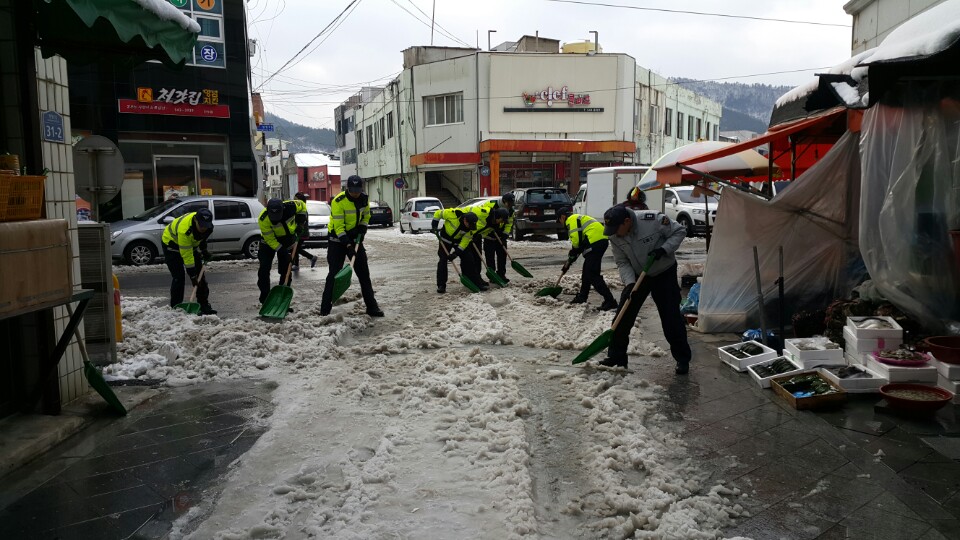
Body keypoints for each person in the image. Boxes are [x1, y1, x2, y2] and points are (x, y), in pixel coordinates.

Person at [601, 205, 691, 374]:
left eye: (617, 229)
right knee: (622, 316)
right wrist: (629, 284)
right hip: (637, 275)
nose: (615, 233)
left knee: (671, 317)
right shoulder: (614, 235)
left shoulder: (653, 220)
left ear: (627, 221)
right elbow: (622, 262)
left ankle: (682, 358)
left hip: (663, 272)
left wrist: (664, 249)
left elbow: (679, 231)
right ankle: (616, 358)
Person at [320, 175, 383, 317]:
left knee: (364, 274)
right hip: (337, 240)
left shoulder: (363, 199)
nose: (356, 193)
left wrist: (362, 228)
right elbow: (339, 227)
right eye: (353, 190)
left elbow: (366, 216)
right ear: (347, 188)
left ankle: (372, 307)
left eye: (358, 190)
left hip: (355, 239)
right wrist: (347, 245)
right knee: (334, 274)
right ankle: (325, 308)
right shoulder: (338, 201)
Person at [557, 208, 618, 311]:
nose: (560, 223)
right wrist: (572, 257)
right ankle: (582, 297)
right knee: (587, 271)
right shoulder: (578, 218)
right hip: (599, 240)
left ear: (562, 217)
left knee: (592, 274)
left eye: (559, 220)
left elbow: (576, 241)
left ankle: (610, 301)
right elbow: (580, 243)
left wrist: (573, 253)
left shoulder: (571, 220)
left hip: (595, 241)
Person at [161, 208, 217, 314]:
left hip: (189, 247)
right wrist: (192, 275)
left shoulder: (208, 227)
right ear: (195, 220)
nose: (203, 228)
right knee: (179, 277)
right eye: (201, 225)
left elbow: (202, 239)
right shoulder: (185, 231)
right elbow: (187, 255)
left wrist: (204, 250)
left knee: (201, 278)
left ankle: (203, 305)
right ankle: (176, 307)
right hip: (171, 246)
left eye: (206, 225)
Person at [257, 197, 305, 308]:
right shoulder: (263, 219)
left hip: (288, 239)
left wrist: (301, 222)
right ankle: (265, 299)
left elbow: (302, 205)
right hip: (268, 243)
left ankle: (282, 301)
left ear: (283, 209)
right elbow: (270, 240)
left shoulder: (291, 206)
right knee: (264, 269)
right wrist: (282, 251)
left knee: (286, 269)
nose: (275, 219)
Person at [431, 208, 481, 292]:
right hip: (445, 240)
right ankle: (441, 285)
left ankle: (475, 282)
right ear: (465, 220)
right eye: (469, 225)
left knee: (469, 259)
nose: (470, 228)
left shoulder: (471, 228)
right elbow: (438, 213)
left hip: (458, 241)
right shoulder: (451, 214)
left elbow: (464, 243)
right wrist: (434, 226)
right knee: (443, 260)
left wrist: (455, 254)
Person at [482, 193, 515, 282]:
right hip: (489, 236)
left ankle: (501, 274)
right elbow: (485, 217)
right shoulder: (491, 205)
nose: (511, 206)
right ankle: (492, 276)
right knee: (490, 257)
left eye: (512, 203)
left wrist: (505, 234)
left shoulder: (511, 211)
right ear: (504, 202)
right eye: (509, 203)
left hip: (501, 236)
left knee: (502, 256)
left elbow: (510, 223)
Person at [291, 192, 319, 271]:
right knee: (296, 248)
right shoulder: (299, 208)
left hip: (301, 232)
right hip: (300, 231)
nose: (294, 201)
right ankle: (298, 263)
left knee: (295, 248)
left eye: (295, 199)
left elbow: (301, 221)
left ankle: (299, 263)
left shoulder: (301, 209)